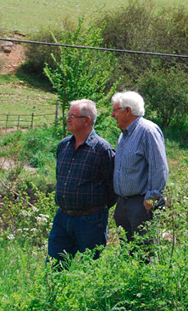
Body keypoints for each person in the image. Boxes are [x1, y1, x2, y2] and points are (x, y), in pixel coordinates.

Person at [47, 99, 116, 265]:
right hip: (62, 218)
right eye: (68, 115)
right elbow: (60, 177)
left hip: (91, 221)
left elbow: (113, 188)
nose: (68, 119)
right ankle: (56, 292)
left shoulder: (102, 149)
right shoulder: (63, 145)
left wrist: (95, 209)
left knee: (90, 267)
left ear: (87, 120)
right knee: (54, 265)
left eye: (73, 116)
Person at [111, 91, 169, 248]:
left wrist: (149, 202)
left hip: (140, 204)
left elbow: (160, 169)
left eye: (115, 110)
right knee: (127, 252)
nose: (112, 115)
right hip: (124, 203)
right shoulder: (124, 135)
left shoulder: (148, 131)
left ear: (127, 110)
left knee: (144, 253)